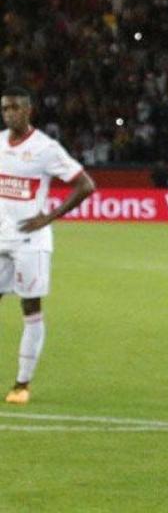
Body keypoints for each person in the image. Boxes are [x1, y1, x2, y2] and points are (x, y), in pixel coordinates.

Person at [1, 86, 96, 405]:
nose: (9, 113)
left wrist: (49, 217)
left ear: (29, 111)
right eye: (5, 108)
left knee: (30, 308)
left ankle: (21, 384)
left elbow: (85, 185)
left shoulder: (45, 148)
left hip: (30, 242)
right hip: (1, 239)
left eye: (15, 108)